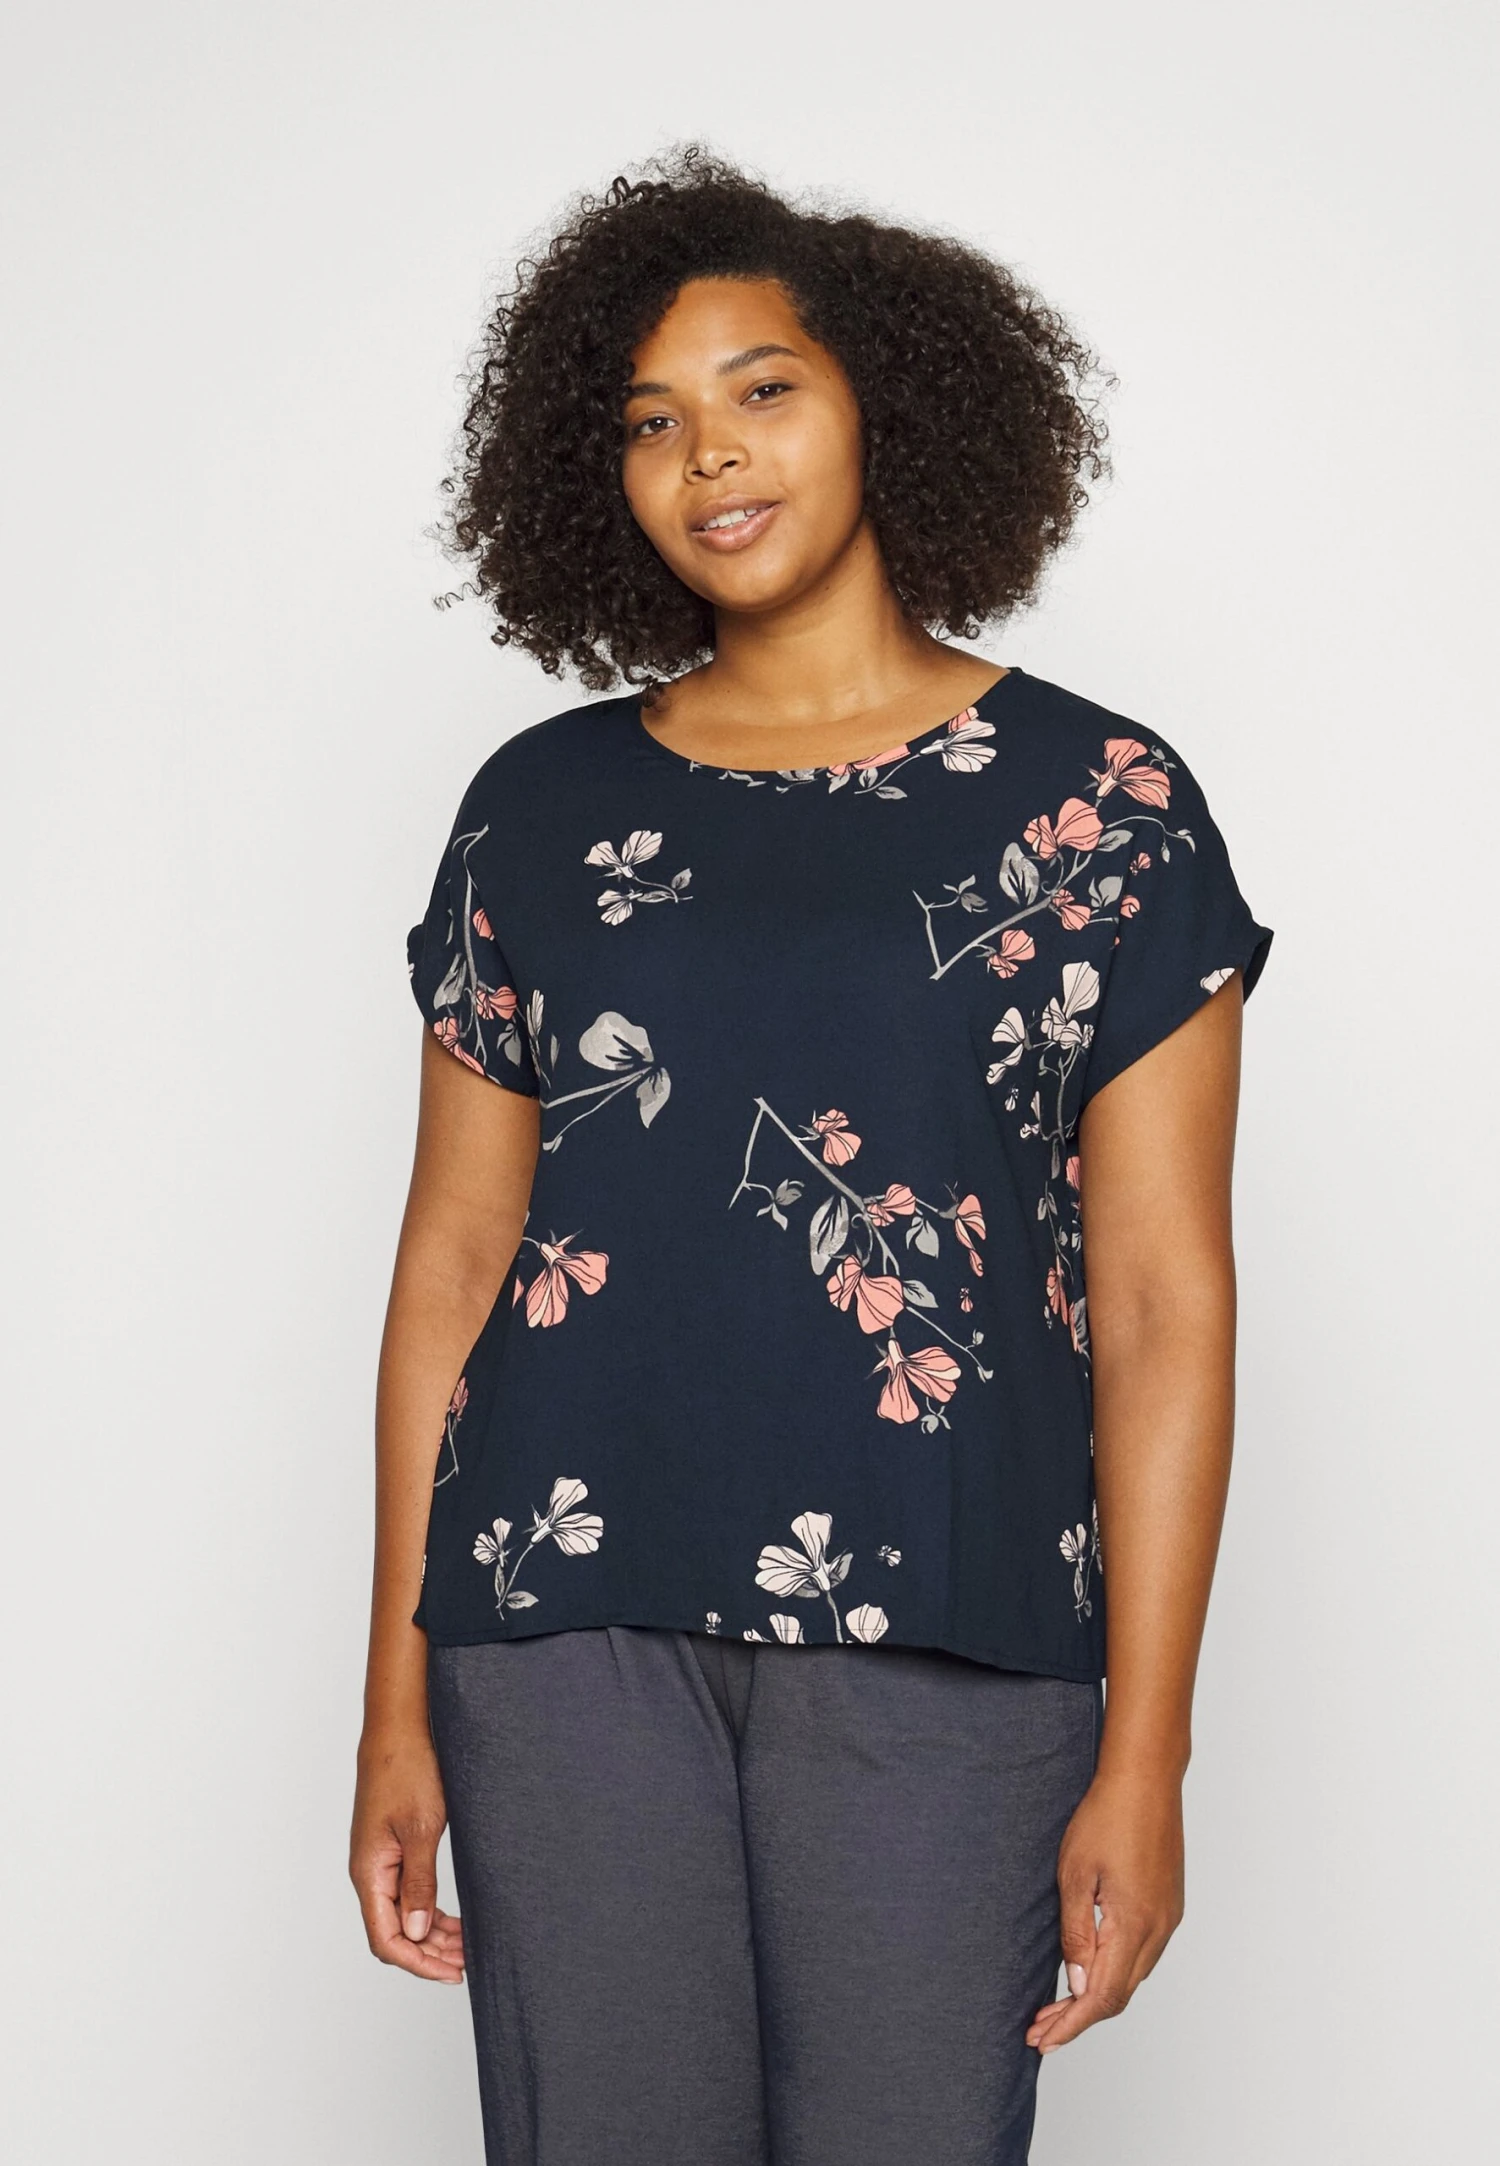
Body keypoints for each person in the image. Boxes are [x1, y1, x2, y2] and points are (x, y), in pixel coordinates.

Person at [349, 145, 1274, 2166]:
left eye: (763, 388)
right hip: (559, 1627)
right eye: (649, 419)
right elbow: (457, 1259)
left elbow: (1160, 1298)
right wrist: (395, 1701)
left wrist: (1151, 1754)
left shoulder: (1103, 808)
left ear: (889, 405)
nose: (709, 453)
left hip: (955, 1623)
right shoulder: (536, 810)